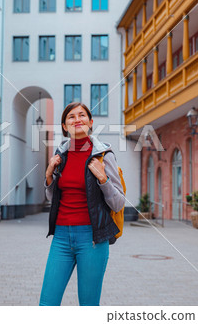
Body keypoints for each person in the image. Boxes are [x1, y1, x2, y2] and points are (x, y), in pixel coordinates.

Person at [39, 102, 125, 306]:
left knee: (88, 305)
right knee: (46, 304)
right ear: (64, 126)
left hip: (92, 239)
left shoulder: (104, 156)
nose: (77, 119)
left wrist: (103, 179)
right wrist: (49, 175)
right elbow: (53, 199)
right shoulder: (61, 157)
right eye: (71, 116)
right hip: (60, 237)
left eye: (82, 115)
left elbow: (118, 203)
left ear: (90, 122)